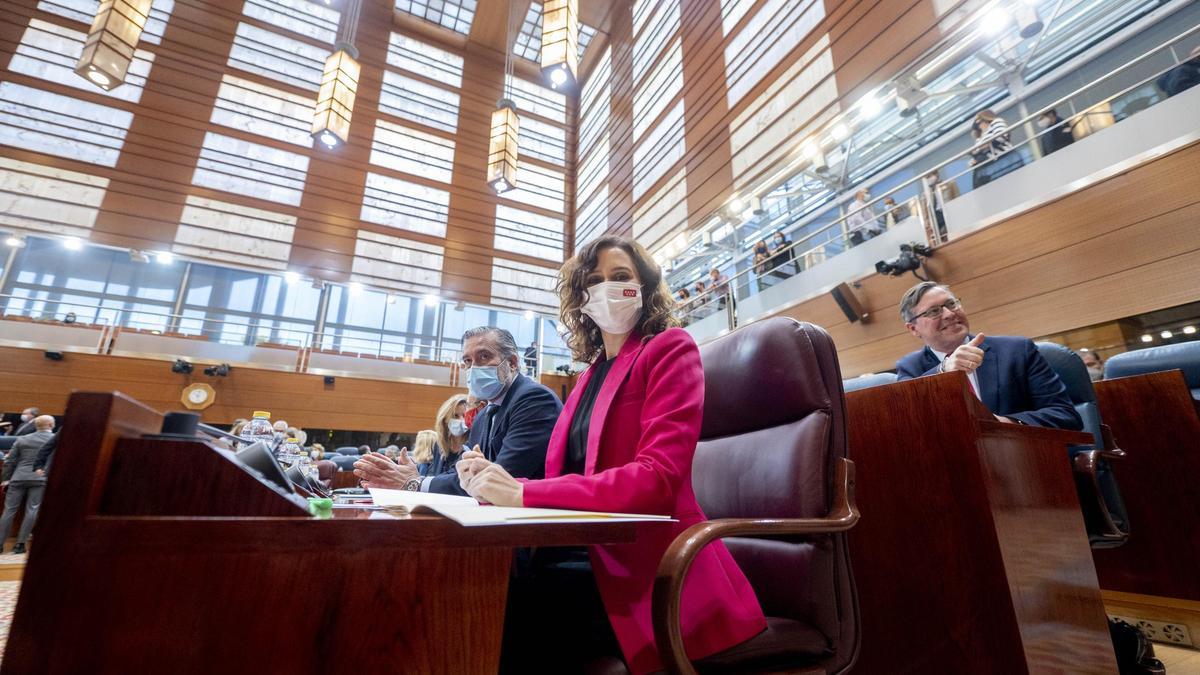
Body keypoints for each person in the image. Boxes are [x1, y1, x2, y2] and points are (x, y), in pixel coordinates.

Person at [454, 235, 767, 674]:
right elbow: (571, 476)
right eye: (594, 281)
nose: (607, 288)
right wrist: (497, 482)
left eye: (620, 277)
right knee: (477, 597)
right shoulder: (588, 377)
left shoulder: (668, 348)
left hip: (653, 572)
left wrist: (522, 493)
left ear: (645, 286)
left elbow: (656, 479)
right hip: (586, 557)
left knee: (496, 617)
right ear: (581, 300)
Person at [353, 327, 561, 496]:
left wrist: (416, 484)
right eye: (468, 361)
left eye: (484, 356)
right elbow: (460, 472)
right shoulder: (483, 416)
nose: (474, 368)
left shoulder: (533, 399)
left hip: (534, 528)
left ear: (513, 363)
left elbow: (500, 477)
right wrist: (417, 479)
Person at [895, 281, 1082, 429]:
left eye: (951, 304)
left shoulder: (1017, 350)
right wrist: (943, 372)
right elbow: (910, 426)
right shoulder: (910, 368)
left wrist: (1004, 424)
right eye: (934, 311)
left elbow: (1065, 415)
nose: (949, 314)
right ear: (913, 329)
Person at [0, 415, 55, 554]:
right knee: (32, 509)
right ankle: (20, 545)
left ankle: (0, 544)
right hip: (40, 478)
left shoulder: (22, 439)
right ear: (50, 425)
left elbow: (9, 461)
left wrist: (5, 479)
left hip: (18, 477)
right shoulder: (55, 440)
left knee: (9, 510)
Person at [969, 110, 1024, 187]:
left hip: (1004, 158)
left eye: (979, 120)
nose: (978, 123)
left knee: (1011, 184)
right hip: (988, 165)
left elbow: (1000, 136)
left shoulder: (996, 122)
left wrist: (983, 147)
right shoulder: (979, 137)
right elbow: (978, 150)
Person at [923, 170, 958, 239]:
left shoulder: (949, 184)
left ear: (936, 175)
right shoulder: (926, 193)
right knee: (939, 236)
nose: (929, 179)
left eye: (930, 176)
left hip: (947, 210)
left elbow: (956, 197)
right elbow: (925, 209)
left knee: (950, 232)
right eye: (927, 177)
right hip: (935, 215)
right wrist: (926, 221)